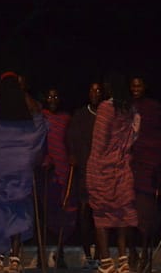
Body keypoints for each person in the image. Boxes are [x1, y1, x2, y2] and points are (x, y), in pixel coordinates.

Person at [0, 71, 49, 273]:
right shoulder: (27, 105)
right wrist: (28, 157)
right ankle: (14, 258)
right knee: (18, 210)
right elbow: (40, 129)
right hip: (21, 170)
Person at [86, 73, 141, 273]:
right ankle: (123, 261)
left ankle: (106, 262)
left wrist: (93, 168)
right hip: (122, 168)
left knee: (101, 214)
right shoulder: (130, 110)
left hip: (102, 169)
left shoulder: (105, 108)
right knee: (121, 214)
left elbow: (99, 142)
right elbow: (134, 137)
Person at [128, 76, 161, 272]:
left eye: (139, 85)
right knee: (127, 212)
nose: (136, 88)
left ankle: (145, 252)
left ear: (145, 87)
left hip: (148, 167)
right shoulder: (125, 106)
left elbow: (159, 137)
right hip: (128, 166)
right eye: (133, 85)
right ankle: (131, 251)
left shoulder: (154, 107)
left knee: (146, 214)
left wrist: (156, 167)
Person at [66, 82, 104, 270]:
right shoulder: (80, 115)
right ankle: (88, 255)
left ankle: (99, 255)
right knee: (84, 213)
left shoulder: (107, 115)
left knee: (100, 216)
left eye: (98, 90)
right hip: (84, 173)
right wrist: (73, 154)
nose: (95, 93)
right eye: (92, 90)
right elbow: (70, 139)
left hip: (103, 174)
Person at [40, 87, 75, 269]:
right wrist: (45, 159)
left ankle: (60, 253)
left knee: (65, 214)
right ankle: (41, 254)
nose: (52, 99)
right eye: (49, 96)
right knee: (46, 214)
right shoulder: (41, 116)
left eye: (55, 96)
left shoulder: (66, 118)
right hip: (47, 172)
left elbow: (70, 141)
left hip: (64, 171)